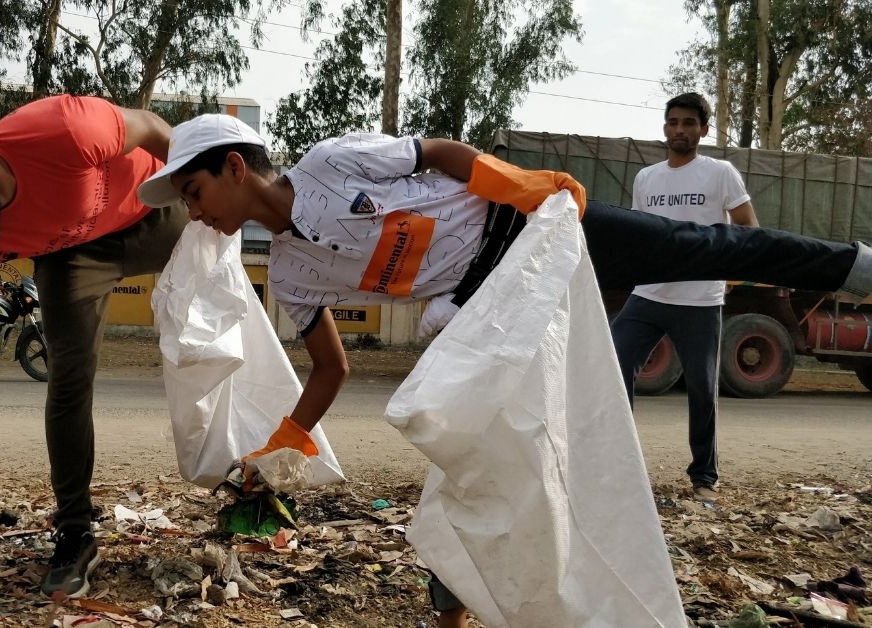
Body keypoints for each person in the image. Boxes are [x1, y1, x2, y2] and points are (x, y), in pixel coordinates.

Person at [135, 114, 871, 628]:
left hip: (531, 233)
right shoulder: (291, 276)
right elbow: (330, 367)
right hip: (489, 309)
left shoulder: (330, 164)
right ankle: (452, 616)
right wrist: (284, 443)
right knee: (474, 464)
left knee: (699, 248)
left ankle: (854, 265)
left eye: (195, 194)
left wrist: (512, 181)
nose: (196, 216)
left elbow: (436, 155)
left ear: (234, 168)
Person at [0, 94, 187, 598]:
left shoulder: (62, 130)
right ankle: (74, 531)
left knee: (230, 338)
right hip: (73, 254)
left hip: (158, 209)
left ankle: (259, 483)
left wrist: (206, 193)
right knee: (68, 378)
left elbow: (153, 127)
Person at [611, 92, 754, 504]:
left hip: (700, 299)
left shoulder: (720, 173)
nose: (680, 130)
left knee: (701, 388)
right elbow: (641, 233)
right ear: (664, 129)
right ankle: (619, 465)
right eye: (673, 122)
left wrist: (730, 272)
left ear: (703, 130)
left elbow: (747, 226)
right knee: (613, 369)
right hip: (649, 294)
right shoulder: (646, 178)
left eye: (689, 123)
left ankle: (704, 477)